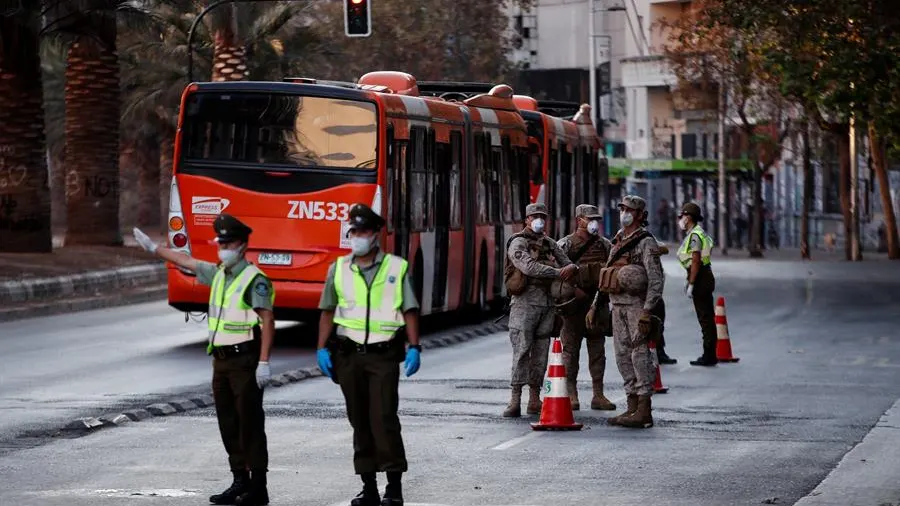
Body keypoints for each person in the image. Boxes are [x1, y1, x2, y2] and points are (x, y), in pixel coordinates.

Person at [132, 215, 275, 506]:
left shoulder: (254, 279)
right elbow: (188, 263)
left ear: (242, 245)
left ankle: (258, 487)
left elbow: (268, 320)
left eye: (229, 243)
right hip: (220, 361)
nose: (223, 247)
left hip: (245, 358)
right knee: (228, 422)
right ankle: (239, 480)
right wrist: (154, 249)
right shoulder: (219, 273)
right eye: (221, 242)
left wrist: (263, 361)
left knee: (249, 423)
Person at [315, 203, 421, 506]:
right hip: (348, 356)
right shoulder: (338, 268)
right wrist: (322, 348)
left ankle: (394, 486)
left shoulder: (395, 268)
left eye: (363, 231)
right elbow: (327, 311)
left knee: (384, 417)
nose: (357, 237)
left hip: (383, 355)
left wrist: (414, 346)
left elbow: (409, 309)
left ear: (375, 234)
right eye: (354, 232)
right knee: (359, 420)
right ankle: (368, 486)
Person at [503, 202, 577, 418]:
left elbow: (569, 265)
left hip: (547, 304)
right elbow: (528, 267)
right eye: (535, 216)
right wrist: (558, 272)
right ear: (526, 219)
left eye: (542, 216)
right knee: (522, 351)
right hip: (524, 304)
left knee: (541, 354)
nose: (539, 220)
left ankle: (534, 399)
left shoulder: (550, 243)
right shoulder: (518, 242)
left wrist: (571, 269)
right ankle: (515, 398)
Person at [597, 195, 665, 429]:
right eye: (622, 208)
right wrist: (598, 304)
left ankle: (644, 409)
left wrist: (647, 310)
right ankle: (632, 405)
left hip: (636, 305)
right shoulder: (618, 238)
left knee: (639, 354)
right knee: (622, 355)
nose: (624, 212)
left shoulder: (646, 241)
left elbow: (656, 278)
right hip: (617, 305)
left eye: (629, 210)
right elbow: (608, 270)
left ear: (639, 214)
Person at [556, 204, 616, 411]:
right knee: (570, 351)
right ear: (578, 220)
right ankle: (571, 393)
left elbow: (613, 269)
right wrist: (573, 290)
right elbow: (556, 276)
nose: (594, 223)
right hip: (574, 307)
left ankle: (598, 395)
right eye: (589, 219)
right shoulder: (565, 245)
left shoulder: (605, 245)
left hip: (597, 304)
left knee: (597, 351)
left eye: (596, 219)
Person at [676, 202, 718, 367]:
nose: (681, 220)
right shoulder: (699, 233)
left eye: (682, 216)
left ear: (688, 217)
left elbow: (695, 260)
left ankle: (709, 355)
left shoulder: (695, 235)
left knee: (705, 318)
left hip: (700, 277)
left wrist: (692, 282)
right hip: (704, 275)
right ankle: (710, 354)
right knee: (707, 317)